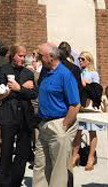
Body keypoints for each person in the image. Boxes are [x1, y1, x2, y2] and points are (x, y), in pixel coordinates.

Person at [33, 42, 80, 187]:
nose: (37, 58)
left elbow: (75, 105)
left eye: (40, 55)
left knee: (58, 170)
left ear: (51, 57)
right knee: (40, 166)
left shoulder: (65, 75)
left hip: (58, 124)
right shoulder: (45, 72)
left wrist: (63, 126)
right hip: (44, 124)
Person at [0, 44, 37, 187]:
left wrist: (20, 88)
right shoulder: (2, 70)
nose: (23, 58)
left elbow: (33, 94)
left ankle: (15, 181)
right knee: (6, 150)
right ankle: (3, 182)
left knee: (23, 151)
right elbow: (1, 92)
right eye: (20, 55)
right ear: (12, 55)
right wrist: (22, 88)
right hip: (8, 114)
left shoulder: (28, 73)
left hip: (25, 116)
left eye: (24, 56)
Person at [71, 51, 103, 171]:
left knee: (92, 131)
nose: (80, 61)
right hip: (80, 105)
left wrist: (86, 84)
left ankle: (90, 157)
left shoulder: (93, 73)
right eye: (79, 59)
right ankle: (75, 155)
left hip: (90, 106)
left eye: (83, 59)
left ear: (89, 60)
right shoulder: (77, 72)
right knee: (78, 131)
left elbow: (97, 89)